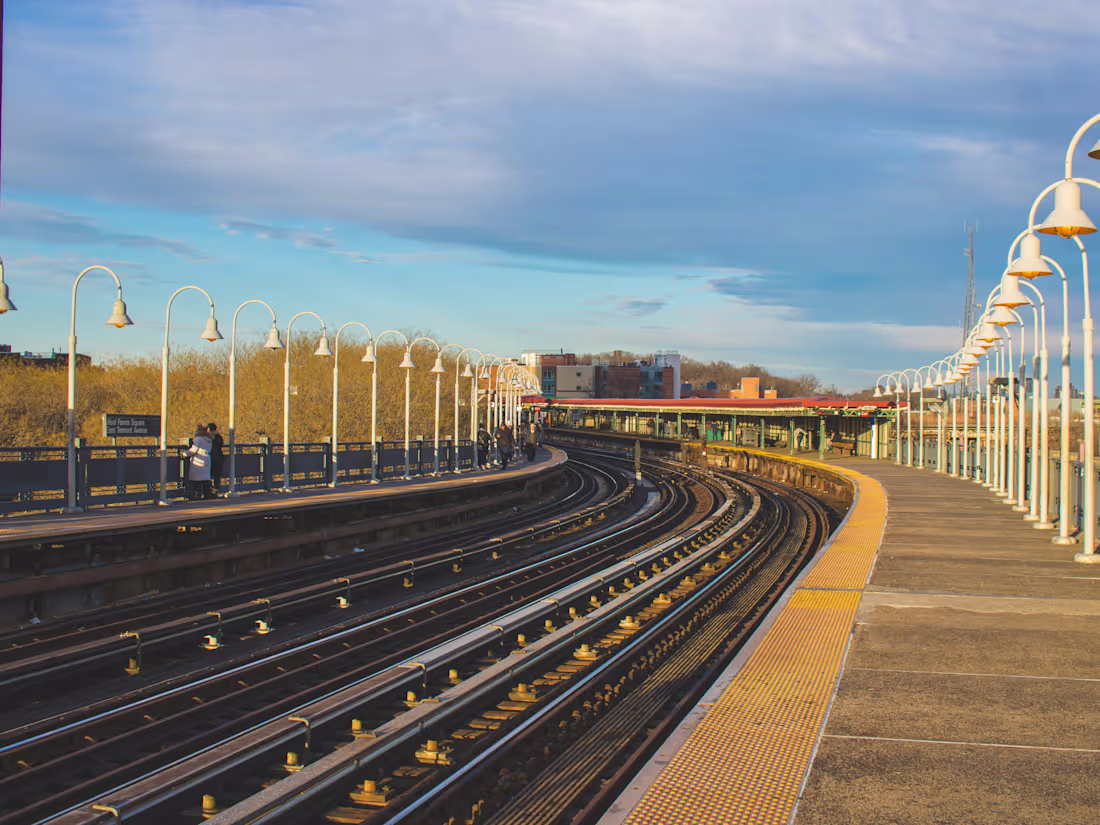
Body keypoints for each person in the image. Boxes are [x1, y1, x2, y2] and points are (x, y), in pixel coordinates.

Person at [186, 424, 215, 500]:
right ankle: (207, 494)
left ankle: (197, 494)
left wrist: (184, 453)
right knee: (205, 479)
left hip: (198, 459)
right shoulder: (209, 439)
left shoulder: (198, 439)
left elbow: (194, 450)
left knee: (196, 479)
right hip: (207, 458)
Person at [207, 422, 224, 493]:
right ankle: (214, 490)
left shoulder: (212, 438)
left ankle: (212, 490)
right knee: (216, 476)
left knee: (211, 475)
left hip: (212, 459)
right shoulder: (219, 437)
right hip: (217, 459)